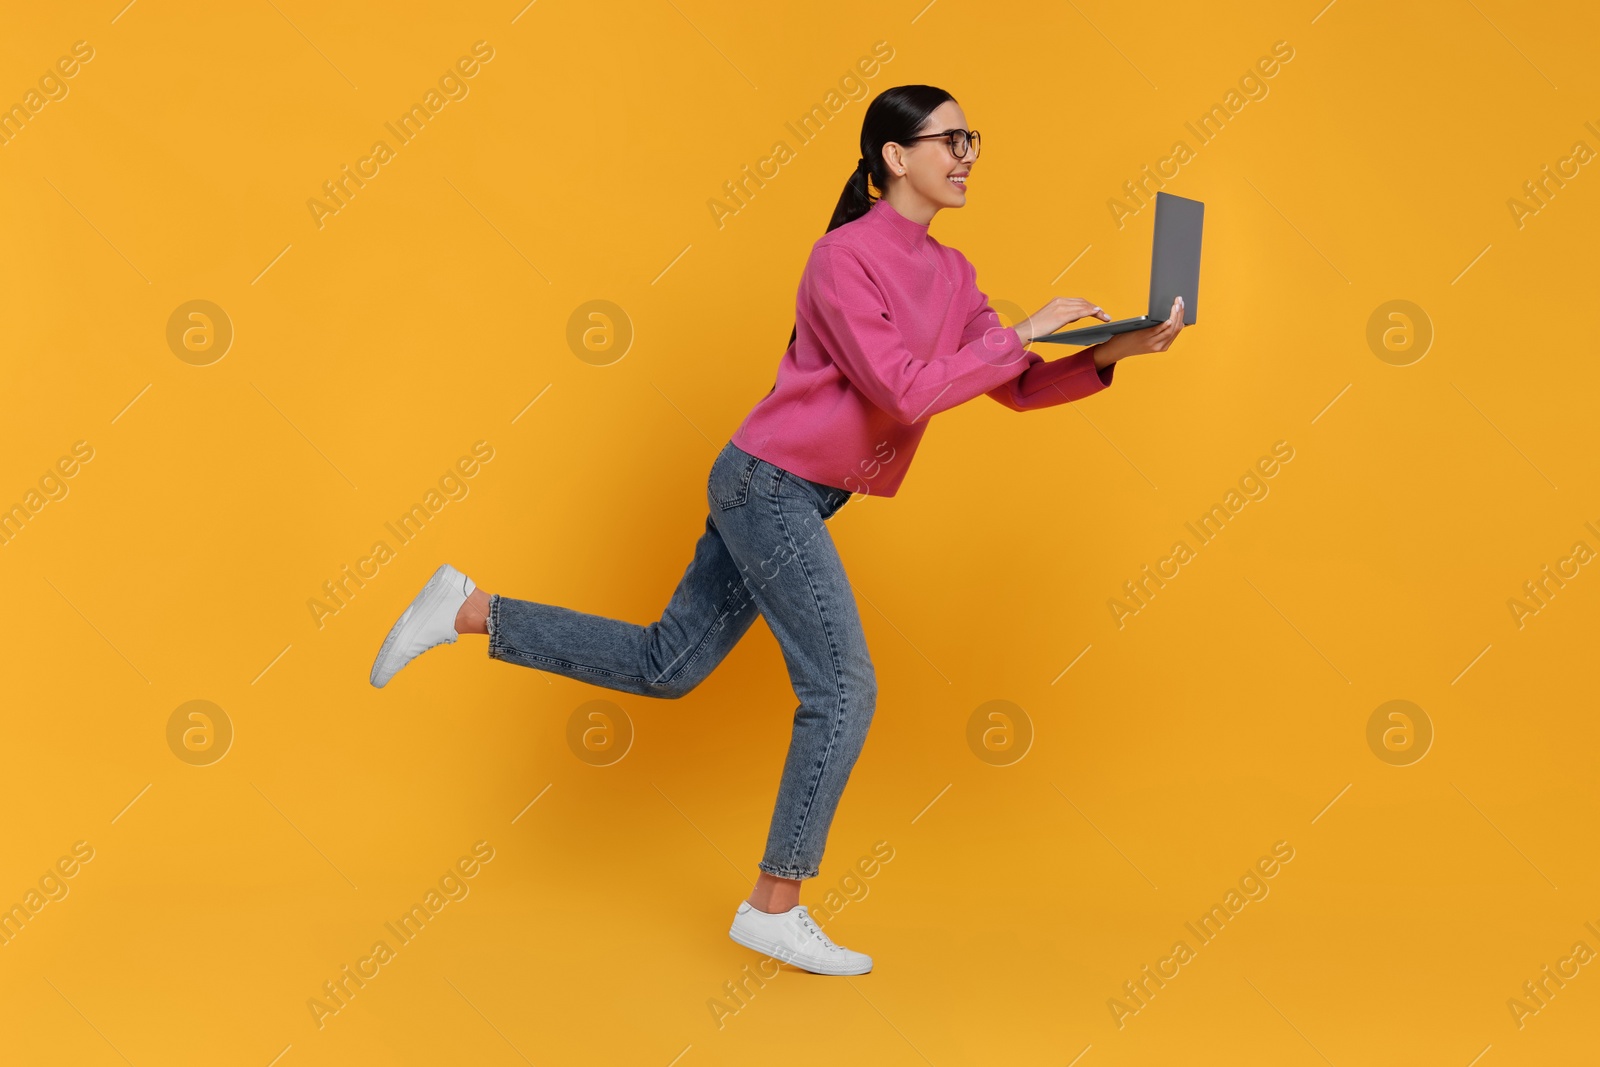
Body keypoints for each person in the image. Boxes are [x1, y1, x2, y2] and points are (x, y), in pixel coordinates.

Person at [368, 84, 1186, 977]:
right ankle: (774, 903)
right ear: (893, 157)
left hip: (801, 493)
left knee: (665, 663)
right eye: (949, 139)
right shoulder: (840, 259)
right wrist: (1026, 328)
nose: (966, 155)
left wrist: (1110, 352)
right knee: (843, 687)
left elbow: (1013, 385)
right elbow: (906, 389)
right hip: (768, 484)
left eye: (971, 139)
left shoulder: (952, 276)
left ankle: (468, 608)